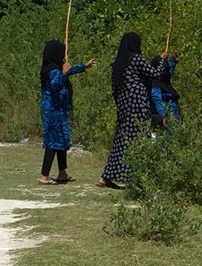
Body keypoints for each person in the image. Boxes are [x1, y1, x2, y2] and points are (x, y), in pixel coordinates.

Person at [98, 32, 168, 189]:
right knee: (136, 138)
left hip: (123, 104)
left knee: (122, 138)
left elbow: (114, 87)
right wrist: (162, 60)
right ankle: (133, 177)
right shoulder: (135, 58)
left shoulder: (118, 63)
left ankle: (107, 176)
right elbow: (155, 73)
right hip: (136, 104)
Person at [38, 40, 94, 185]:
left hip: (60, 109)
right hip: (52, 110)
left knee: (61, 140)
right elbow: (56, 83)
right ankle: (44, 175)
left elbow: (67, 71)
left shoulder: (56, 67)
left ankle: (62, 173)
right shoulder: (50, 69)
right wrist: (64, 72)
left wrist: (83, 67)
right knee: (53, 141)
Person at [149, 54, 182, 127]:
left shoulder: (165, 85)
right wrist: (162, 118)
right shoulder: (155, 87)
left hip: (174, 120)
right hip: (164, 123)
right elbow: (157, 102)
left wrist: (173, 61)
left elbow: (168, 73)